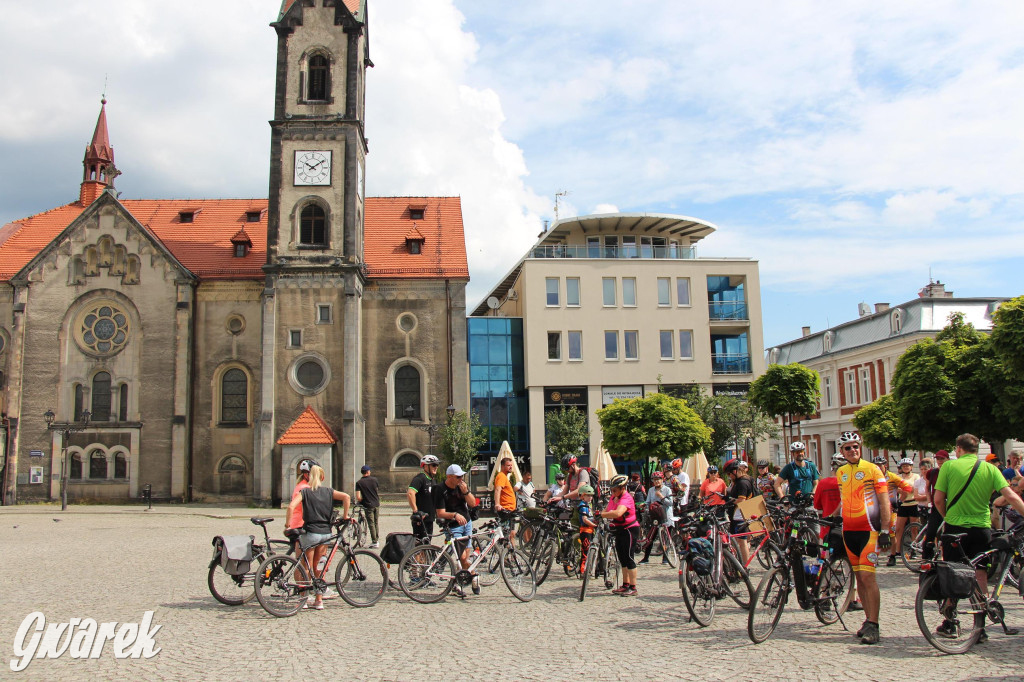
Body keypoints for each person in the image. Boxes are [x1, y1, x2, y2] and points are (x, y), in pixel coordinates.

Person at [934, 433, 1024, 640]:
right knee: (980, 573)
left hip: (955, 527)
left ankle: (950, 622)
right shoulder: (990, 469)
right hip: (981, 527)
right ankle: (980, 625)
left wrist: (948, 516)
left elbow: (938, 499)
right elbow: (1010, 495)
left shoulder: (948, 467)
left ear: (958, 449)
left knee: (953, 573)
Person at [834, 431, 891, 645]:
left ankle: (874, 625)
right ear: (842, 451)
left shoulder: (873, 469)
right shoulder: (841, 472)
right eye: (847, 447)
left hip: (869, 531)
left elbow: (884, 501)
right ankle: (867, 620)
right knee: (858, 578)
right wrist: (833, 517)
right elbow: (843, 499)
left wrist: (885, 529)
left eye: (855, 446)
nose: (852, 450)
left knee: (868, 578)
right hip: (849, 531)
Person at [285, 464, 350, 610]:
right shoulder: (328, 491)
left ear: (309, 477)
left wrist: (287, 525)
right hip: (326, 534)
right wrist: (345, 516)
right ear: (322, 477)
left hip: (311, 533)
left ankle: (304, 599)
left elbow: (291, 507)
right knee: (319, 567)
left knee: (305, 567)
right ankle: (319, 601)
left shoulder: (305, 492)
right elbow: (346, 497)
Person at [433, 464, 479, 595]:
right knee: (463, 557)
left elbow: (472, 503)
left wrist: (466, 491)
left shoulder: (461, 486)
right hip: (453, 526)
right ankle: (473, 577)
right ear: (449, 477)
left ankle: (460, 583)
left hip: (467, 523)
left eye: (462, 476)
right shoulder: (440, 489)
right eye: (458, 476)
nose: (461, 478)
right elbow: (440, 513)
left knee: (465, 557)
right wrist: (454, 515)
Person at [596, 474, 641, 596]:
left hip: (630, 529)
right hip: (620, 529)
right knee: (622, 558)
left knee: (629, 557)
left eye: (615, 489)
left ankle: (633, 587)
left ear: (622, 488)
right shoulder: (613, 497)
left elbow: (617, 513)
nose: (612, 491)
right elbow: (607, 510)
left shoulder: (626, 498)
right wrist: (604, 513)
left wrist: (602, 514)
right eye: (611, 489)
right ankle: (625, 585)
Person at [887, 457, 920, 566]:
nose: (906, 467)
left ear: (911, 467)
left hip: (913, 503)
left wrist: (903, 489)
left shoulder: (916, 476)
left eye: (908, 466)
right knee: (898, 529)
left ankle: (913, 549)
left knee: (914, 528)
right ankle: (897, 551)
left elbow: (913, 489)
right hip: (902, 505)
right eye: (904, 466)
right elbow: (895, 489)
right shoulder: (898, 477)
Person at [922, 449, 952, 560]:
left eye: (942, 458)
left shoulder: (951, 471)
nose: (940, 461)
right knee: (931, 531)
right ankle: (926, 557)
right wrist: (929, 501)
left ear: (947, 459)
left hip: (949, 505)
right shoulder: (933, 472)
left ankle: (947, 556)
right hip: (936, 506)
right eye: (938, 459)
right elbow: (927, 487)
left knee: (949, 532)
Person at [724, 459, 754, 566]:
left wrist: (730, 501)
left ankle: (745, 566)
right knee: (737, 541)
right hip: (737, 516)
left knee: (742, 542)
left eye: (729, 474)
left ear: (735, 471)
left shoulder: (742, 483)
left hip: (740, 516)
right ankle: (738, 564)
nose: (729, 476)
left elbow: (742, 500)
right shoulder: (742, 480)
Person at [639, 471, 674, 565]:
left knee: (666, 538)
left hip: (666, 516)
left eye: (658, 479)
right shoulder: (651, 490)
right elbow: (648, 501)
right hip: (655, 517)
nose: (657, 481)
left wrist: (661, 497)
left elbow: (670, 503)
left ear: (662, 480)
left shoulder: (667, 490)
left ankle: (665, 558)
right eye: (655, 480)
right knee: (651, 537)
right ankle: (646, 558)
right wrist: (644, 505)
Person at [407, 454, 441, 539]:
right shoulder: (419, 478)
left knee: (427, 545)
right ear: (425, 466)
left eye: (437, 465)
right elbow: (410, 493)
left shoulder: (432, 480)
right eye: (433, 465)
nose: (436, 467)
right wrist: (416, 511)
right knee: (420, 546)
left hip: (430, 519)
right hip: (421, 519)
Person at [355, 464, 381, 548]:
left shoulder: (359, 483)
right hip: (376, 503)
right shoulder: (375, 480)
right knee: (376, 522)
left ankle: (374, 541)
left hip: (368, 504)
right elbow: (376, 490)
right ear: (368, 472)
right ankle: (376, 539)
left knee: (371, 523)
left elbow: (358, 497)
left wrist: (362, 501)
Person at [493, 457, 518, 538]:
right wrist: (497, 504)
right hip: (505, 510)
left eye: (511, 465)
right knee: (507, 535)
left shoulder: (505, 477)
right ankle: (505, 549)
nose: (510, 467)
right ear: (503, 466)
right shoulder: (501, 476)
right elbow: (497, 490)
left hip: (510, 510)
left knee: (512, 534)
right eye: (508, 465)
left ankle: (512, 550)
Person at [577, 484, 598, 575]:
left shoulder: (588, 505)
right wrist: (594, 525)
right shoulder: (583, 506)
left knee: (589, 549)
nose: (590, 498)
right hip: (585, 530)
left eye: (591, 496)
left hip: (590, 530)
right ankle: (582, 570)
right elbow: (585, 519)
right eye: (588, 495)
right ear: (582, 496)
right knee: (585, 551)